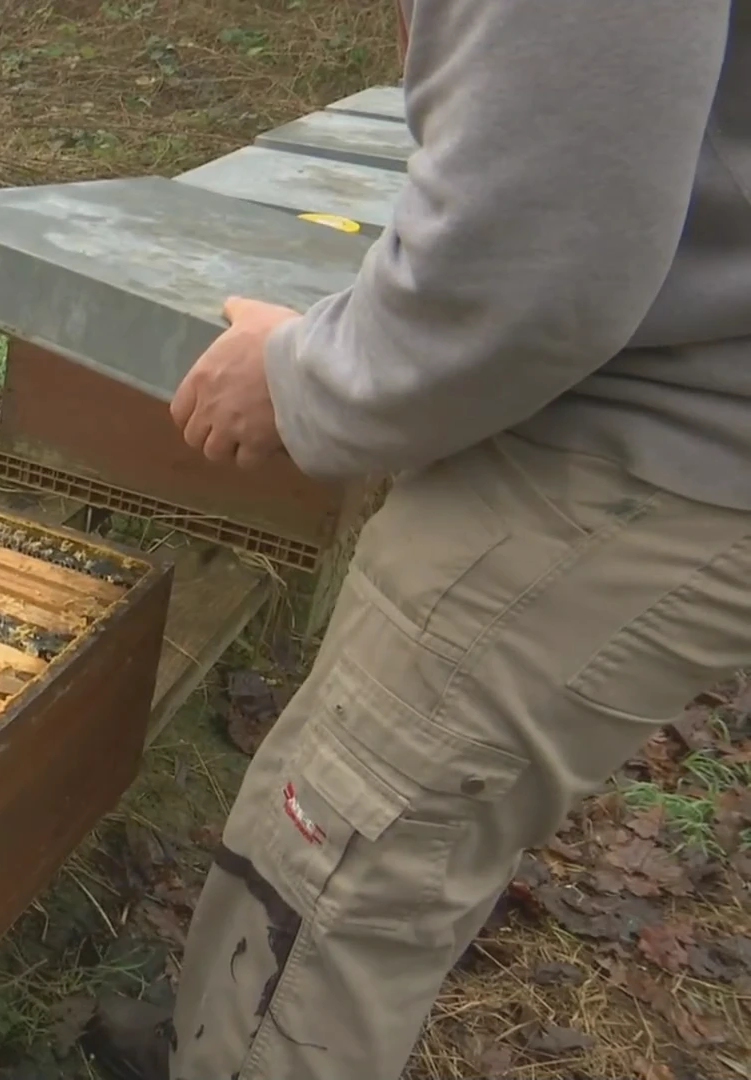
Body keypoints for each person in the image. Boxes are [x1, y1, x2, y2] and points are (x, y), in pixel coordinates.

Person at [89, 1, 750, 1077]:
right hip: (642, 409)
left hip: (638, 446)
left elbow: (538, 258)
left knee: (337, 874)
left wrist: (308, 378)